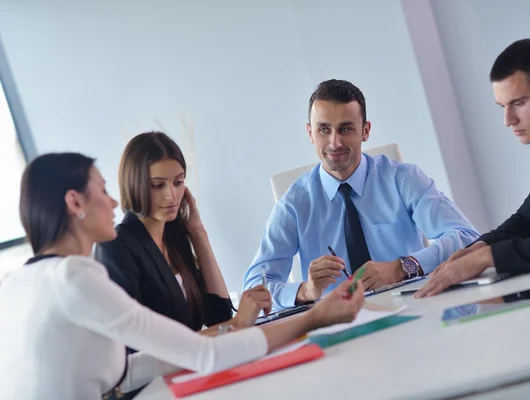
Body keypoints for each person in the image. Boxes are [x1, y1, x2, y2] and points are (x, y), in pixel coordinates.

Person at [0, 152, 364, 399]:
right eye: (103, 191)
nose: (113, 203)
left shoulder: (18, 283)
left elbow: (123, 371)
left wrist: (228, 330)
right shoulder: (74, 275)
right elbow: (204, 356)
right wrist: (314, 317)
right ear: (75, 202)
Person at [243, 79, 479, 309]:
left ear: (365, 131)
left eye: (345, 128)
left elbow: (467, 236)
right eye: (324, 129)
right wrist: (305, 290)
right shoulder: (294, 204)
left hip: (414, 310)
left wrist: (404, 267)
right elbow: (254, 290)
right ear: (310, 133)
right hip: (339, 329)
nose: (334, 142)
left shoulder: (403, 179)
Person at [417, 39, 530, 298]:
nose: (508, 120)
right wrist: (478, 248)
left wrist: (489, 258)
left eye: (519, 103)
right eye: (502, 106)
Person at [96, 132, 258, 334]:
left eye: (178, 182)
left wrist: (198, 233)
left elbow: (219, 316)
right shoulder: (117, 245)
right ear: (134, 184)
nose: (171, 195)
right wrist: (237, 323)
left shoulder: (174, 238)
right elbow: (138, 345)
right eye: (157, 185)